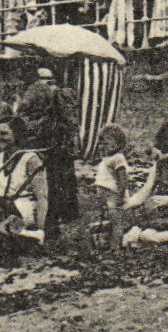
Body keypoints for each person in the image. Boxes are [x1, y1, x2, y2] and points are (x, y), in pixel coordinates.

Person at [16, 66, 79, 238]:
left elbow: (63, 121)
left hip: (56, 145)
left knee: (55, 184)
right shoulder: (56, 95)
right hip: (57, 145)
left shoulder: (55, 94)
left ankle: (54, 224)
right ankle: (55, 221)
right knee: (57, 184)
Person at [89, 125, 131, 252]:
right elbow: (105, 177)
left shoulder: (117, 158)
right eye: (101, 143)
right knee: (107, 220)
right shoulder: (106, 159)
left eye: (106, 143)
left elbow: (123, 179)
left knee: (116, 222)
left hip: (114, 195)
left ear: (118, 144)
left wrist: (120, 194)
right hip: (105, 195)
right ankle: (105, 243)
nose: (102, 147)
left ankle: (115, 247)